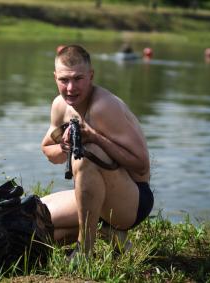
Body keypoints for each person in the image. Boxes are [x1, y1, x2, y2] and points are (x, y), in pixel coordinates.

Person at [40, 45, 154, 256]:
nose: (71, 88)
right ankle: (108, 232)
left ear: (91, 76)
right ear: (55, 77)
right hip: (92, 194)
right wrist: (64, 146)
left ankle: (85, 252)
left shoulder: (103, 106)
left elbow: (141, 165)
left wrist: (94, 137)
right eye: (64, 80)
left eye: (78, 79)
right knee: (37, 222)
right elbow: (48, 149)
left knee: (87, 152)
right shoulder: (60, 105)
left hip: (131, 201)